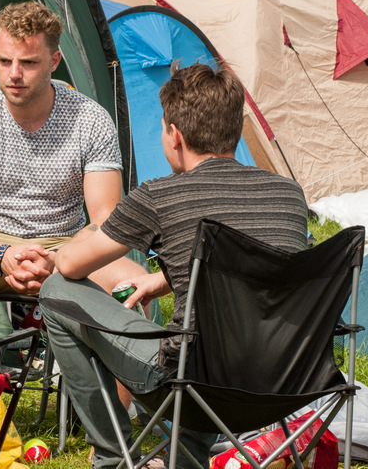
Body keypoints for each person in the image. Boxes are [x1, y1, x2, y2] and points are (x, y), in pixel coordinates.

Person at [38, 63, 310, 469]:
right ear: (234, 129)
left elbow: (72, 266)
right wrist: (161, 280)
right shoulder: (288, 194)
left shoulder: (160, 195)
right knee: (199, 340)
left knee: (56, 293)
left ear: (174, 135)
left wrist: (68, 245)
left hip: (194, 383)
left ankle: (113, 457)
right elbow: (252, 266)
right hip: (286, 380)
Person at [0, 0, 149, 297]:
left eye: (29, 62)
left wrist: (55, 259)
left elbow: (105, 220)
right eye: (5, 61)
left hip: (62, 247)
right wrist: (0, 253)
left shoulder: (90, 120)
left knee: (133, 285)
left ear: (55, 61)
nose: (14, 75)